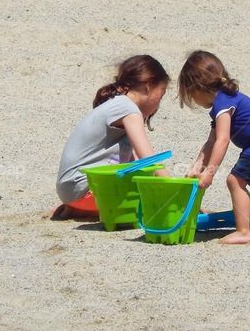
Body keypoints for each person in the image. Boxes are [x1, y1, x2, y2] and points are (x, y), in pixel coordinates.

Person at [178, 51, 250, 244]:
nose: (193, 100)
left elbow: (222, 140)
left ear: (198, 87)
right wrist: (197, 166)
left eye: (191, 95)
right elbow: (210, 142)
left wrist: (210, 172)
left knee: (234, 181)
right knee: (237, 181)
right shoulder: (223, 100)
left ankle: (244, 231)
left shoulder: (223, 103)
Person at [53, 55, 170, 220]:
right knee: (151, 198)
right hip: (86, 191)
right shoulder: (129, 110)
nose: (159, 102)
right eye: (161, 94)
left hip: (69, 190)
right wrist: (175, 191)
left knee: (138, 171)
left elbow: (137, 161)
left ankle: (79, 209)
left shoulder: (115, 104)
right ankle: (88, 208)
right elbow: (147, 158)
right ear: (148, 86)